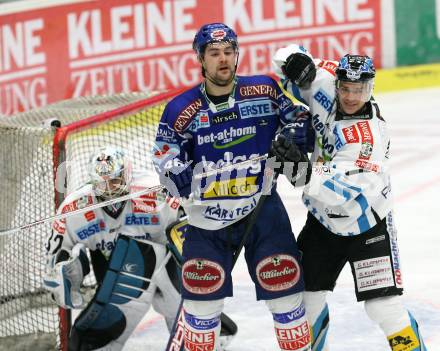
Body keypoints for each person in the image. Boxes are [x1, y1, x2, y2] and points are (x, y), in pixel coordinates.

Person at [153, 23, 312, 351]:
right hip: (207, 220)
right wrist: (174, 171)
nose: (223, 59)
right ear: (201, 58)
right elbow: (164, 153)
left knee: (287, 298)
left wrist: (290, 137)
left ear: (237, 55)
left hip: (262, 209)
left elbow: (301, 118)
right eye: (214, 53)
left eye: (229, 52)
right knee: (200, 309)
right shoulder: (181, 109)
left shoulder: (265, 89)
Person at [272, 45, 427, 350]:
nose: (352, 96)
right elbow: (283, 63)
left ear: (371, 88)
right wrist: (293, 59)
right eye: (347, 87)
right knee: (305, 301)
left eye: (361, 89)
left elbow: (342, 190)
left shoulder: (369, 136)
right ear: (337, 83)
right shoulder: (324, 82)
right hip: (322, 223)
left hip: (367, 224)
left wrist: (301, 171)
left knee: (383, 309)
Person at [43, 146, 236, 350]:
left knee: (179, 305)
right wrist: (64, 276)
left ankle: (203, 328)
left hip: (168, 269)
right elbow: (54, 262)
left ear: (127, 174)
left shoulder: (157, 192)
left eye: (115, 181)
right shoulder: (74, 208)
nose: (109, 190)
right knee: (91, 343)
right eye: (102, 183)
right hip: (118, 277)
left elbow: (196, 225)